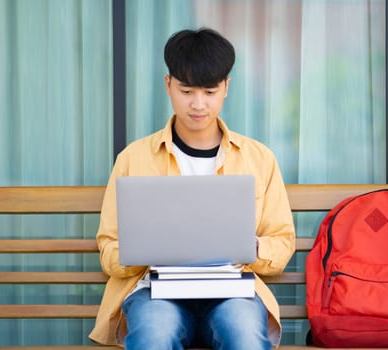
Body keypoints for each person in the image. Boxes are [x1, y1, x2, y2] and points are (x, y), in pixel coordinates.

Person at [89, 27, 296, 350]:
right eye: (187, 92)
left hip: (231, 291)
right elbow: (108, 247)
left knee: (244, 333)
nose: (198, 104)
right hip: (156, 290)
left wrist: (246, 246)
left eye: (210, 92)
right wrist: (143, 249)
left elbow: (281, 242)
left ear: (226, 87)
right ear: (168, 84)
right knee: (154, 333)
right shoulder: (134, 158)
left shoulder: (259, 159)